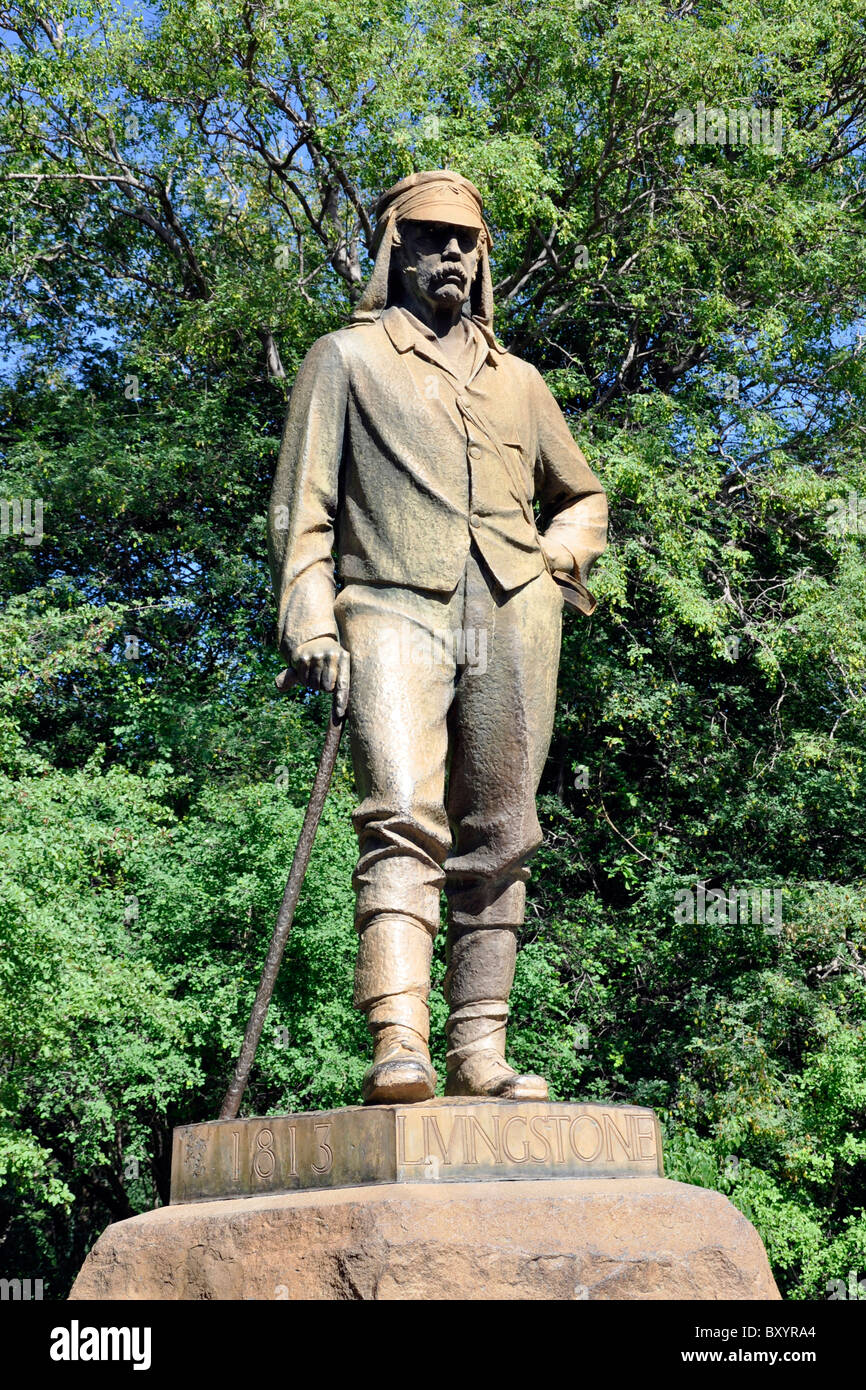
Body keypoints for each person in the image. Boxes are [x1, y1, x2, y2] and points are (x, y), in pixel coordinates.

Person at [268, 170, 607, 1104]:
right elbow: (304, 513)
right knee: (401, 816)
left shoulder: (521, 382)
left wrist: (553, 562)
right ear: (396, 247)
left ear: (483, 257)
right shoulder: (345, 359)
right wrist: (310, 622)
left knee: (502, 832)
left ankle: (479, 1052)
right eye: (430, 236)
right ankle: (399, 1042)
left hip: (512, 611)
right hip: (388, 607)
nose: (450, 252)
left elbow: (582, 495)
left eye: (465, 240)